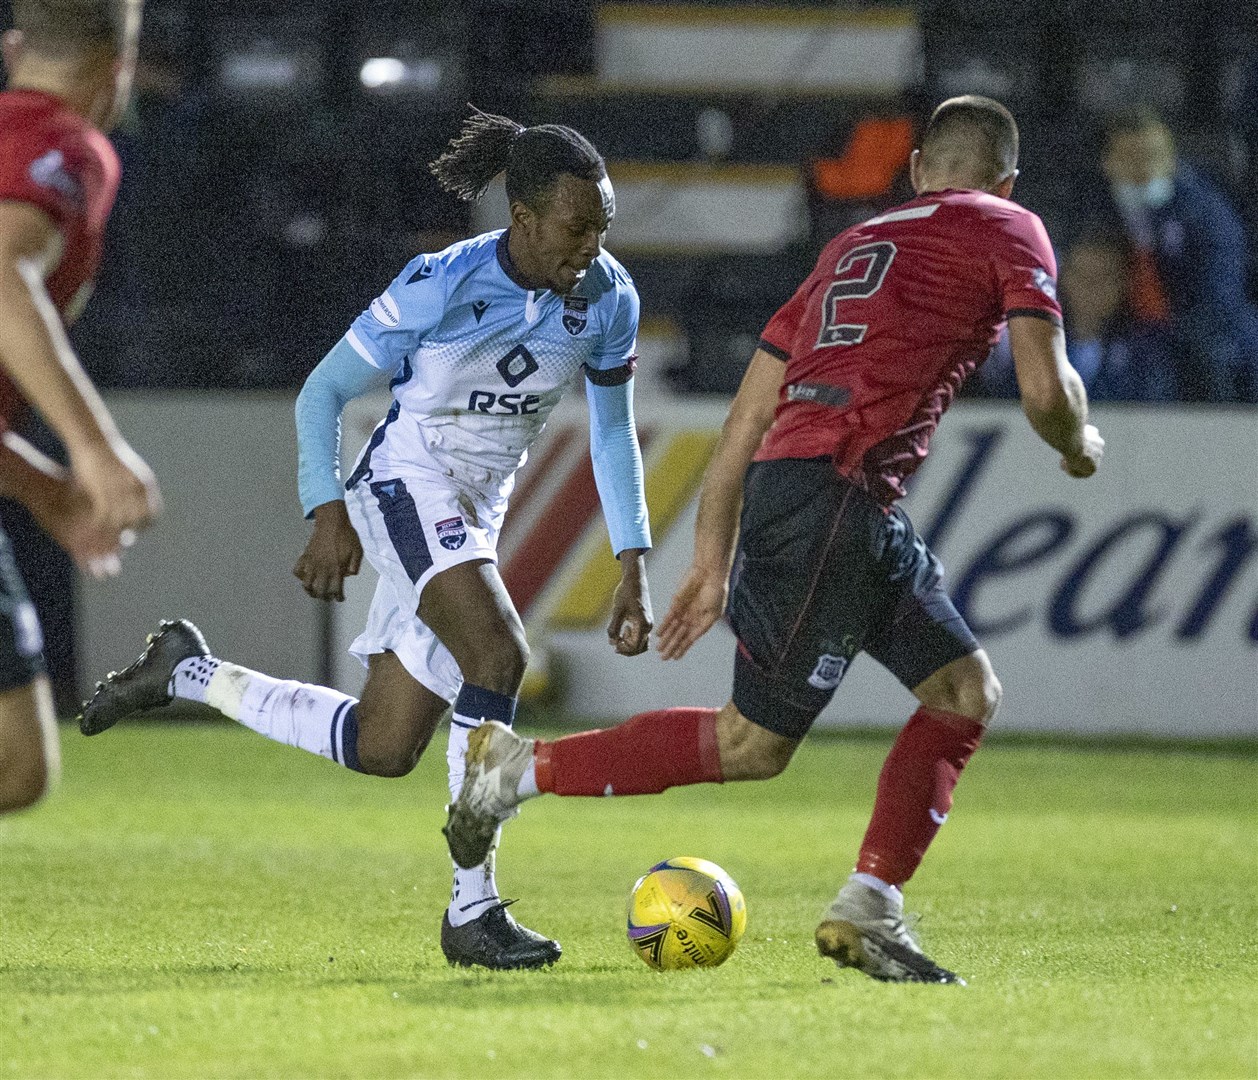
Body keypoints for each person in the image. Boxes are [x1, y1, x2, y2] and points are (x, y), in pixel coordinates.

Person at [444, 95, 1105, 985]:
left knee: (962, 687)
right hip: (839, 497)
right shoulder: (1009, 225)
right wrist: (1079, 443)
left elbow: (746, 420)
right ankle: (511, 772)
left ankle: (871, 909)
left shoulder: (848, 248)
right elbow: (1043, 390)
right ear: (1007, 180)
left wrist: (711, 560)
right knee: (753, 744)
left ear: (914, 174)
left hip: (822, 497)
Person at [77, 109, 654, 970]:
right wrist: (327, 509)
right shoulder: (441, 283)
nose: (592, 248)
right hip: (404, 484)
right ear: (522, 217)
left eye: (603, 227)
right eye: (577, 228)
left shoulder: (608, 298)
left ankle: (185, 671)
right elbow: (322, 391)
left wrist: (633, 562)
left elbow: (612, 434)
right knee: (498, 655)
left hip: (475, 512)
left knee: (384, 746)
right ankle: (474, 907)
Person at [0, 0, 162, 814]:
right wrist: (94, 447)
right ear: (117, 70)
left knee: (17, 765)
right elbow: (2, 279)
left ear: (15, 49)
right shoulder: (66, 146)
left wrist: (44, 488)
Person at [1098, 106, 1258, 402]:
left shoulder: (1207, 213)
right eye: (1132, 158)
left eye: (1154, 157)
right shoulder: (1092, 208)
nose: (1144, 169)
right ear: (1109, 162)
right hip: (1118, 332)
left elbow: (1218, 297)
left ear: (1171, 160)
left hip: (1193, 334)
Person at [975, 231, 1178, 402]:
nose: (1092, 288)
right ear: (1064, 280)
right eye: (1083, 276)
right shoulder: (1035, 344)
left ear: (1123, 284)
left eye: (1104, 278)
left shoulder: (1147, 350)